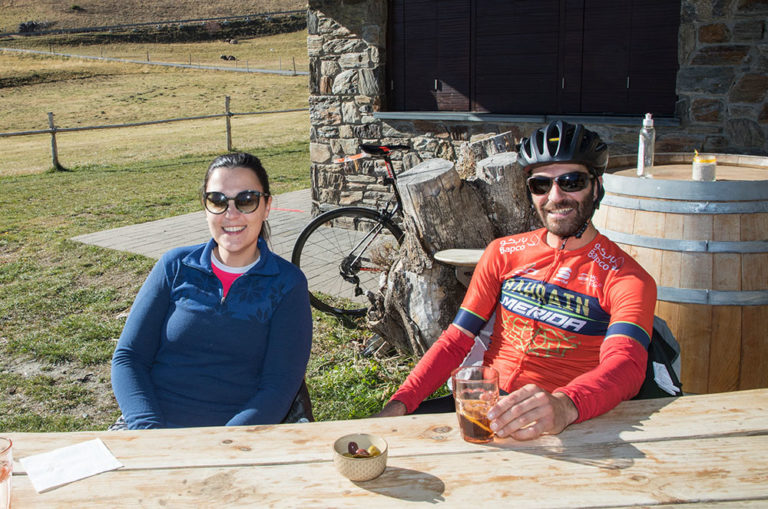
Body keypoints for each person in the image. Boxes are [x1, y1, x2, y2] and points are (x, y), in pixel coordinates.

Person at [377, 120, 657, 440]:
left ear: (597, 187)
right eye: (541, 185)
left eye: (572, 181)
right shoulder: (503, 252)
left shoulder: (627, 278)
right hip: (484, 405)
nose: (555, 196)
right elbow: (456, 339)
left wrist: (566, 405)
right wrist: (401, 402)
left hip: (564, 418)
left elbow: (627, 364)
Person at [111, 152, 312, 429]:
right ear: (206, 208)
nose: (231, 214)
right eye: (217, 200)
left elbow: (279, 387)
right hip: (150, 428)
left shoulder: (287, 284)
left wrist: (222, 442)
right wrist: (149, 431)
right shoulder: (175, 266)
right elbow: (129, 357)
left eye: (247, 200)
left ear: (266, 207)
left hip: (237, 437)